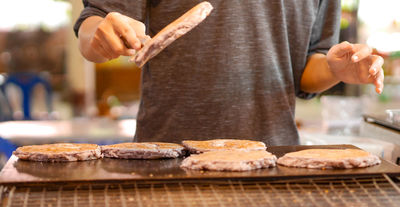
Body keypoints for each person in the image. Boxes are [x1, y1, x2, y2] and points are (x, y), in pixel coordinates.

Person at [74, 1, 384, 146]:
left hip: (275, 161)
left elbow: (305, 68)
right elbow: (96, 23)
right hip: (168, 159)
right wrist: (99, 35)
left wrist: (334, 69)